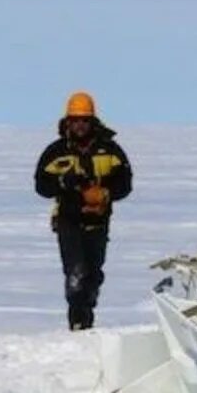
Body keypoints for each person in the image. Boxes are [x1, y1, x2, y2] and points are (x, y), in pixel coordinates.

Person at [32, 91, 134, 330]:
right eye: (75, 120)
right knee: (75, 273)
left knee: (92, 274)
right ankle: (78, 324)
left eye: (84, 120)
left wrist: (107, 193)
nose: (79, 125)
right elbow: (41, 186)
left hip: (98, 222)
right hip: (68, 221)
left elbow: (125, 183)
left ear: (92, 121)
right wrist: (64, 183)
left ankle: (87, 308)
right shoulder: (56, 152)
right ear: (67, 122)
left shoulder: (110, 151)